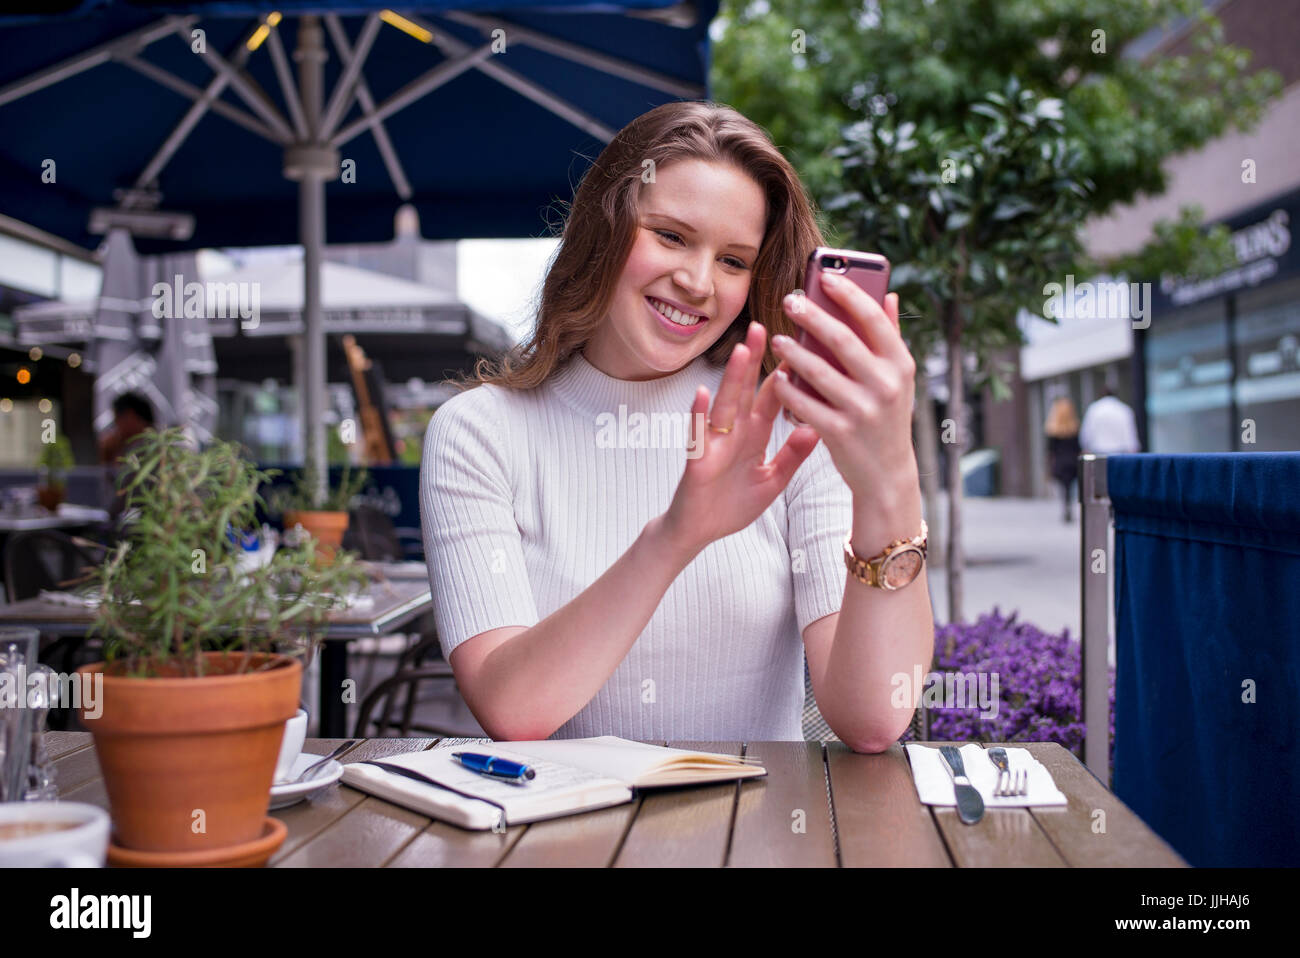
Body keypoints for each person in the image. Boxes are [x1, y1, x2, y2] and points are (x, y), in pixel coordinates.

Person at [419, 101, 932, 750]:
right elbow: (513, 708)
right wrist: (674, 538)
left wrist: (891, 482)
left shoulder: (788, 421)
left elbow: (871, 718)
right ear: (604, 229)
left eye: (733, 261)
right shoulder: (478, 434)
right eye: (670, 236)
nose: (696, 282)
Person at [97, 392, 155, 529]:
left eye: (116, 419)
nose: (115, 427)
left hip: (149, 534)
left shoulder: (140, 452)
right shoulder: (157, 444)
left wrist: (107, 458)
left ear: (130, 416)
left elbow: (112, 507)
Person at [1044, 397, 1081, 523]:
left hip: (1060, 463)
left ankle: (1066, 506)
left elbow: (1050, 451)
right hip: (1072, 463)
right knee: (1069, 487)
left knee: (1064, 487)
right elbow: (1078, 448)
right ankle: (1068, 506)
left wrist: (1048, 467)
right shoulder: (1074, 428)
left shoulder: (1053, 431)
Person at [1079, 385, 1141, 455]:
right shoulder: (1124, 409)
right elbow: (1130, 433)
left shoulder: (1094, 409)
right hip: (1120, 453)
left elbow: (1086, 433)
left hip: (1099, 453)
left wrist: (1085, 447)